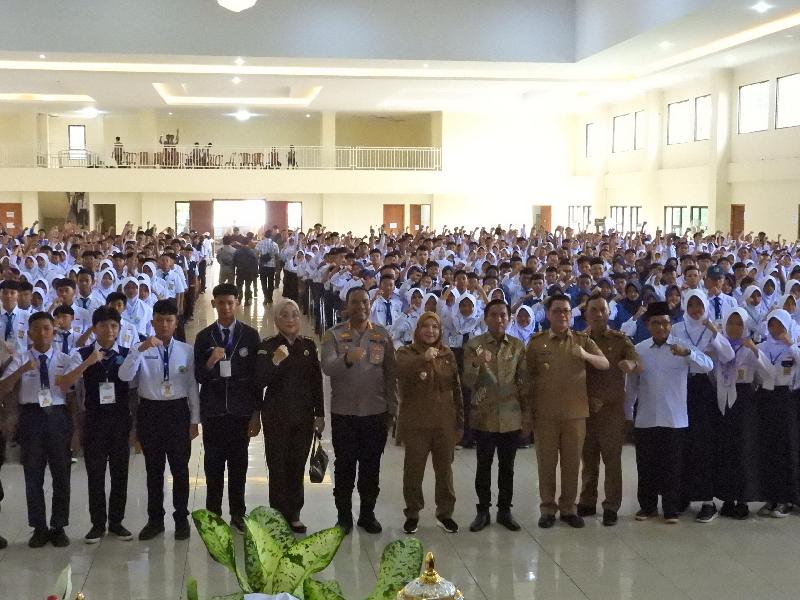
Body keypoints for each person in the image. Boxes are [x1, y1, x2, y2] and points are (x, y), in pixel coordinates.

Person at [525, 293, 609, 529]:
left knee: (572, 465)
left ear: (571, 315)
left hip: (575, 414)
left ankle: (569, 508)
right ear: (548, 314)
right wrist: (527, 413)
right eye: (557, 311)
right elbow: (527, 379)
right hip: (545, 415)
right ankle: (547, 508)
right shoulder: (537, 342)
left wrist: (585, 355)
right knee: (546, 464)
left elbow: (604, 363)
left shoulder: (582, 340)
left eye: (566, 311)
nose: (562, 315)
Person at [118, 299, 200, 541]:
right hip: (150, 412)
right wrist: (140, 350)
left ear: (176, 323)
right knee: (153, 470)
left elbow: (192, 386)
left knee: (180, 468)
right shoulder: (141, 348)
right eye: (160, 320)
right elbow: (125, 377)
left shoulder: (186, 351)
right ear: (152, 322)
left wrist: (195, 419)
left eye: (169, 320)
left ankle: (181, 518)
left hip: (177, 412)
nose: (164, 325)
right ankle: (155, 520)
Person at [626, 302, 713, 523]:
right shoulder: (639, 349)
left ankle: (671, 509)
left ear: (671, 324)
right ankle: (647, 507)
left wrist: (689, 353)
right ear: (648, 325)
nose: (661, 327)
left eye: (665, 323)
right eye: (656, 323)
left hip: (675, 418)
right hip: (646, 417)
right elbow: (632, 385)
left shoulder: (682, 346)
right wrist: (628, 413)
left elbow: (708, 366)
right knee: (646, 466)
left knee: (672, 467)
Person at [320, 287, 397, 535]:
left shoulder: (381, 335)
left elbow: (391, 373)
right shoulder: (333, 334)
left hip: (375, 411)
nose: (361, 306)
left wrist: (393, 408)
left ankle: (367, 514)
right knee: (344, 466)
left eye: (364, 301)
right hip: (345, 413)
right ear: (347, 305)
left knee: (371, 466)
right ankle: (343, 517)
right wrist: (346, 359)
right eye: (355, 302)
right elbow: (327, 367)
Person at [59, 306, 135, 543]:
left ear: (119, 328)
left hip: (120, 420)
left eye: (114, 326)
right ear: (94, 328)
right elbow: (67, 385)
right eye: (103, 325)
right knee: (95, 473)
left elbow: (134, 390)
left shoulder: (127, 353)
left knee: (120, 472)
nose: (109, 330)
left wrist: (134, 427)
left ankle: (117, 522)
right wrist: (88, 362)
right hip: (94, 420)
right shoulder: (81, 353)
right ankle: (97, 524)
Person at [0, 312, 76, 548]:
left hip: (58, 416)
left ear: (54, 331)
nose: (42, 334)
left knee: (61, 474)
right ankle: (39, 527)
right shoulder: (20, 358)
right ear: (29, 333)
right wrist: (22, 370)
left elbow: (72, 395)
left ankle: (59, 526)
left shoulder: (65, 359)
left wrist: (75, 428)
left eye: (47, 328)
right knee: (33, 475)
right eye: (37, 329)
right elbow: (3, 388)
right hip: (31, 417)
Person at [194, 284, 261, 532]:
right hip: (213, 413)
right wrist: (210, 362)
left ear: (238, 303)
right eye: (221, 303)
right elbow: (198, 376)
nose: (225, 307)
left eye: (230, 302)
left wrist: (256, 413)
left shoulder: (250, 336)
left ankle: (238, 513)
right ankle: (213, 514)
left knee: (238, 466)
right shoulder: (204, 337)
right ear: (213, 304)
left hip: (240, 412)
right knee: (212, 466)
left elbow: (256, 379)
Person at [256, 298, 324, 533]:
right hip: (276, 415)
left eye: (294, 314)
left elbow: (316, 381)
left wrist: (320, 414)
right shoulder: (268, 346)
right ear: (276, 320)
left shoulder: (308, 345)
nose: (291, 319)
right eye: (284, 315)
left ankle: (294, 513)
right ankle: (277, 515)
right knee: (277, 467)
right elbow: (259, 380)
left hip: (303, 416)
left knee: (297, 466)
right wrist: (275, 360)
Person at [462, 299, 528, 532]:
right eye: (494, 315)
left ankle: (504, 510)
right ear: (486, 318)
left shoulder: (517, 346)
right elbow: (467, 381)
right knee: (484, 465)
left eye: (503, 315)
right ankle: (482, 511)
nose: (499, 319)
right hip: (484, 416)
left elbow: (524, 383)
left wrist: (527, 415)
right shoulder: (474, 345)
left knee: (507, 467)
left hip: (511, 416)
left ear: (509, 318)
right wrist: (476, 364)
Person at [396, 311, 463, 534]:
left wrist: (460, 422)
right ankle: (412, 513)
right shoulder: (406, 352)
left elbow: (456, 390)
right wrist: (423, 359)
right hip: (416, 424)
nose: (430, 331)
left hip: (444, 423)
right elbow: (400, 371)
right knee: (413, 472)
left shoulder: (447, 354)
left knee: (445, 471)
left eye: (435, 327)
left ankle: (445, 513)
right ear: (417, 329)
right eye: (426, 326)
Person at [577, 293, 639, 526]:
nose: (599, 314)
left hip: (612, 411)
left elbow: (635, 359)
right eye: (593, 310)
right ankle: (587, 500)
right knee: (588, 458)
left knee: (612, 460)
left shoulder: (620, 339)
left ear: (609, 313)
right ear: (586, 314)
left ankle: (611, 505)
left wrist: (630, 364)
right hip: (585, 410)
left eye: (602, 310)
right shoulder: (579, 340)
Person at [713, 308, 764, 519]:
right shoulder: (719, 345)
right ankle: (727, 497)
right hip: (723, 400)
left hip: (744, 401)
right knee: (726, 449)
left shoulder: (750, 346)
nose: (734, 327)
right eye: (730, 323)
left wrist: (755, 351)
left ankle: (743, 499)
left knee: (744, 449)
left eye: (739, 323)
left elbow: (763, 374)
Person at [755, 309, 800, 518]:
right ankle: (771, 497)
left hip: (787, 400)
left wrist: (791, 344)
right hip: (766, 399)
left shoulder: (794, 347)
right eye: (772, 325)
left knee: (786, 448)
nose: (776, 329)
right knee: (769, 448)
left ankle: (787, 499)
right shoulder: (762, 346)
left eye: (780, 325)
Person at [255, 233, 280, 304]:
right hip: (272, 266)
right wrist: (278, 268)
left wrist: (258, 262)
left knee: (263, 282)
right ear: (271, 236)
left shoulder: (260, 243)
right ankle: (270, 298)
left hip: (262, 266)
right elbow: (277, 256)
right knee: (271, 282)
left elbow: (256, 254)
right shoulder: (275, 244)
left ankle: (265, 297)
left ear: (264, 235)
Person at [233, 240, 258, 306]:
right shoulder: (252, 252)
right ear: (248, 243)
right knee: (247, 286)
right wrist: (256, 273)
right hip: (249, 272)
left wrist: (237, 266)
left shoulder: (237, 251)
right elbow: (255, 263)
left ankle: (239, 298)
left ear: (242, 243)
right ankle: (246, 301)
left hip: (240, 271)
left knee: (239, 286)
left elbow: (233, 261)